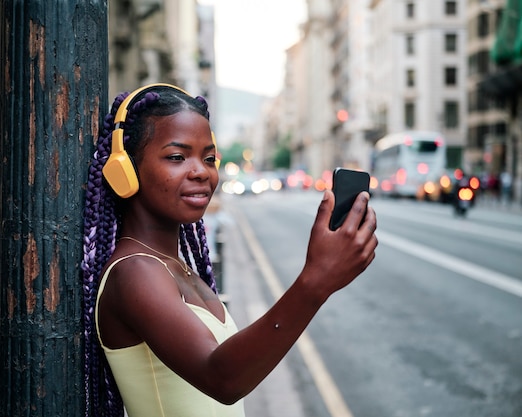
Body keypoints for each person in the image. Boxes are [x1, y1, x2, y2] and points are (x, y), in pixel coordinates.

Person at [81, 83, 378, 417]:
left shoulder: (173, 265)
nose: (201, 172)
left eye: (209, 158)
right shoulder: (134, 272)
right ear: (125, 168)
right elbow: (222, 377)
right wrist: (315, 281)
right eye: (177, 157)